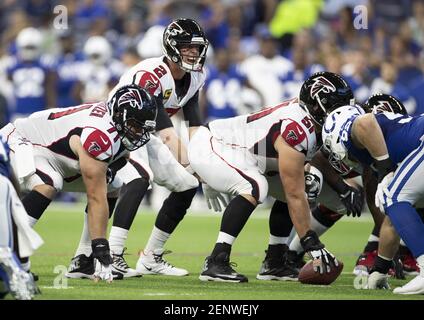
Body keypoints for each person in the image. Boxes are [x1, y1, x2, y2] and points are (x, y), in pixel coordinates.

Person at [66, 18, 210, 279]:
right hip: (116, 130)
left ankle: (151, 256)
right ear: (171, 46)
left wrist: (201, 159)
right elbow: (167, 134)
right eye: (187, 46)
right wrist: (195, 165)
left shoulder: (197, 75)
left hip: (145, 132)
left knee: (188, 184)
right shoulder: (151, 75)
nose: (193, 52)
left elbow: (193, 120)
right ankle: (116, 254)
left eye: (197, 47)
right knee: (138, 178)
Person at [187, 71, 354, 282]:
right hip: (213, 143)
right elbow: (295, 193)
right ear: (315, 104)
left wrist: (341, 188)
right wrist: (311, 242)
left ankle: (275, 262)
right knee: (256, 186)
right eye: (335, 106)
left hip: (246, 155)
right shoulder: (298, 127)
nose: (341, 112)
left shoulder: (314, 122)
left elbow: (300, 175)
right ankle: (216, 260)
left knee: (296, 188)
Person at [0, 84, 158, 283]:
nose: (139, 132)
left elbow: (109, 171)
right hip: (21, 140)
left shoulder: (116, 130)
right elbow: (94, 197)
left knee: (113, 184)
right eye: (135, 125)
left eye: (143, 127)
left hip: (56, 153)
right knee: (49, 182)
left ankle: (83, 261)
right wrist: (101, 247)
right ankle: (6, 251)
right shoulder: (100, 135)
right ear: (119, 115)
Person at [322, 98, 424, 295]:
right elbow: (392, 221)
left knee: (393, 198)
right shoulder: (389, 145)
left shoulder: (353, 130)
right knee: (399, 205)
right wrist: (380, 270)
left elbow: (365, 122)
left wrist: (386, 170)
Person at [0, 134, 43, 300]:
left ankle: (18, 278)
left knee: (3, 253)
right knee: (3, 250)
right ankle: (20, 277)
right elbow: (11, 177)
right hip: (4, 185)